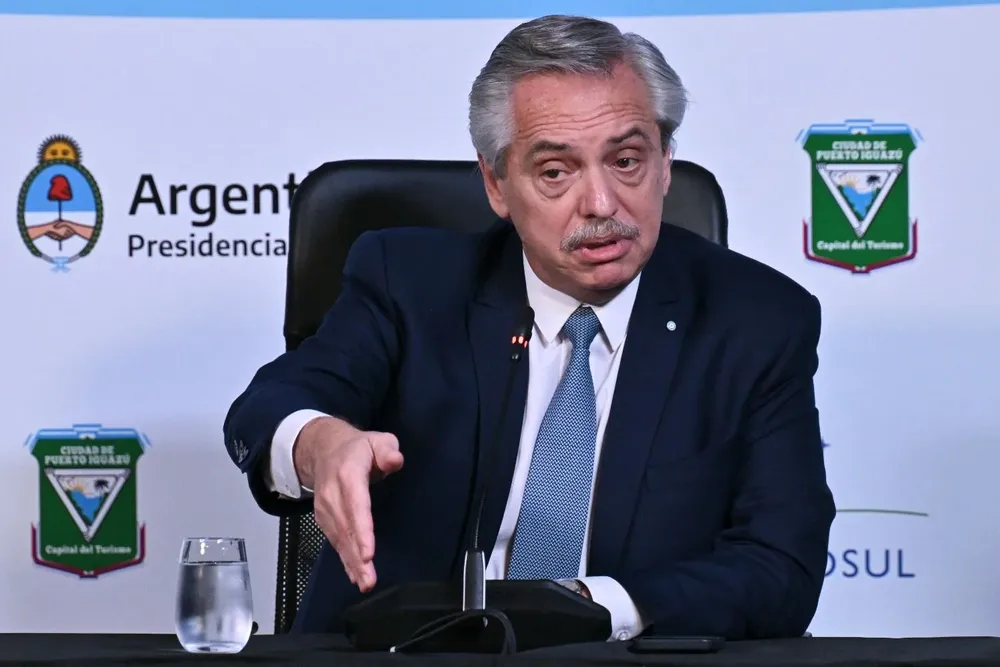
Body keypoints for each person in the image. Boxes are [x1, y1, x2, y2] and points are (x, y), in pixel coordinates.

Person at [224, 14, 835, 641]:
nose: (601, 204)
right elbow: (271, 404)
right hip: (402, 652)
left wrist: (586, 609)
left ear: (665, 163)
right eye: (555, 172)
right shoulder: (410, 284)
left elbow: (780, 566)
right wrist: (319, 442)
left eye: (626, 160)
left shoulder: (756, 321)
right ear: (496, 184)